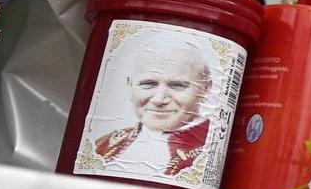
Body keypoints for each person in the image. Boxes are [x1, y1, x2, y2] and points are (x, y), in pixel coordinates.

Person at [84, 36, 219, 180]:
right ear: (130, 85)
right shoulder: (104, 144)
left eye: (177, 85)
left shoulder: (214, 151)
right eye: (148, 84)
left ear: (206, 88)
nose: (159, 99)